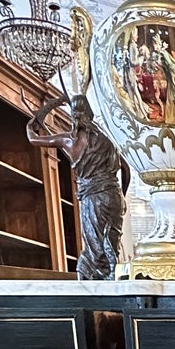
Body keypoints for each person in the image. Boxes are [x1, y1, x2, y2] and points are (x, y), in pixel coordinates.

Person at [27, 94, 129, 281]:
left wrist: (34, 121)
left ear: (74, 116)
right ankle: (112, 278)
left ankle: (100, 285)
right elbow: (125, 168)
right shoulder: (106, 141)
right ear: (89, 114)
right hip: (113, 195)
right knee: (110, 240)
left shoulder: (70, 141)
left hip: (92, 197)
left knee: (93, 246)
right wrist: (122, 194)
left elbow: (34, 139)